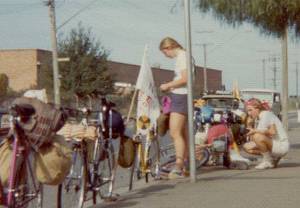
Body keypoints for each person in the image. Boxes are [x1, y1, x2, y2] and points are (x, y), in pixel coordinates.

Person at [159, 37, 191, 179]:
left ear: (168, 48)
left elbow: (185, 78)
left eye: (165, 53)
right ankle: (186, 165)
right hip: (182, 96)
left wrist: (168, 85)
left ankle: (178, 166)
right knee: (183, 133)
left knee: (175, 132)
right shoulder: (185, 56)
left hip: (181, 96)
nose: (166, 56)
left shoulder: (182, 57)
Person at [243, 98, 289, 169]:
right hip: (273, 144)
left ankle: (267, 161)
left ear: (257, 108)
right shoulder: (259, 118)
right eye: (247, 111)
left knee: (257, 136)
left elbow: (272, 132)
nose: (249, 113)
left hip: (281, 145)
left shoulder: (265, 115)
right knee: (247, 147)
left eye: (250, 110)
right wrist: (249, 125)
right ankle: (272, 158)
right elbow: (254, 139)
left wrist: (255, 131)